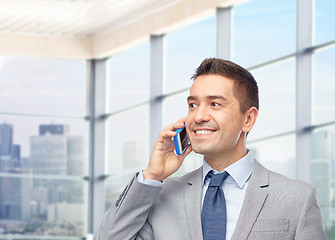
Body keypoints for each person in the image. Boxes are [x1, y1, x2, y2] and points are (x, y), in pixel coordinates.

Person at [96, 58, 327, 240]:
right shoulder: (160, 196)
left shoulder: (297, 198)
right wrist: (152, 176)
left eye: (215, 104)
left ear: (248, 119)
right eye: (193, 105)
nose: (198, 116)